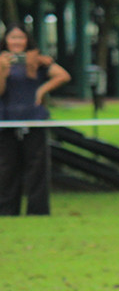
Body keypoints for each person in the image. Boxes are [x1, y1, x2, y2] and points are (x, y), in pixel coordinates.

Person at [0, 23, 70, 216]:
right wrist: (3, 71)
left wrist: (42, 89)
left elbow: (63, 75)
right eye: (12, 37)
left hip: (33, 118)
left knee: (37, 167)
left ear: (26, 40)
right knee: (6, 168)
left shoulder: (37, 60)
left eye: (20, 37)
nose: (16, 42)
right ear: (6, 40)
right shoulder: (1, 61)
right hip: (6, 120)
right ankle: (7, 211)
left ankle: (37, 211)